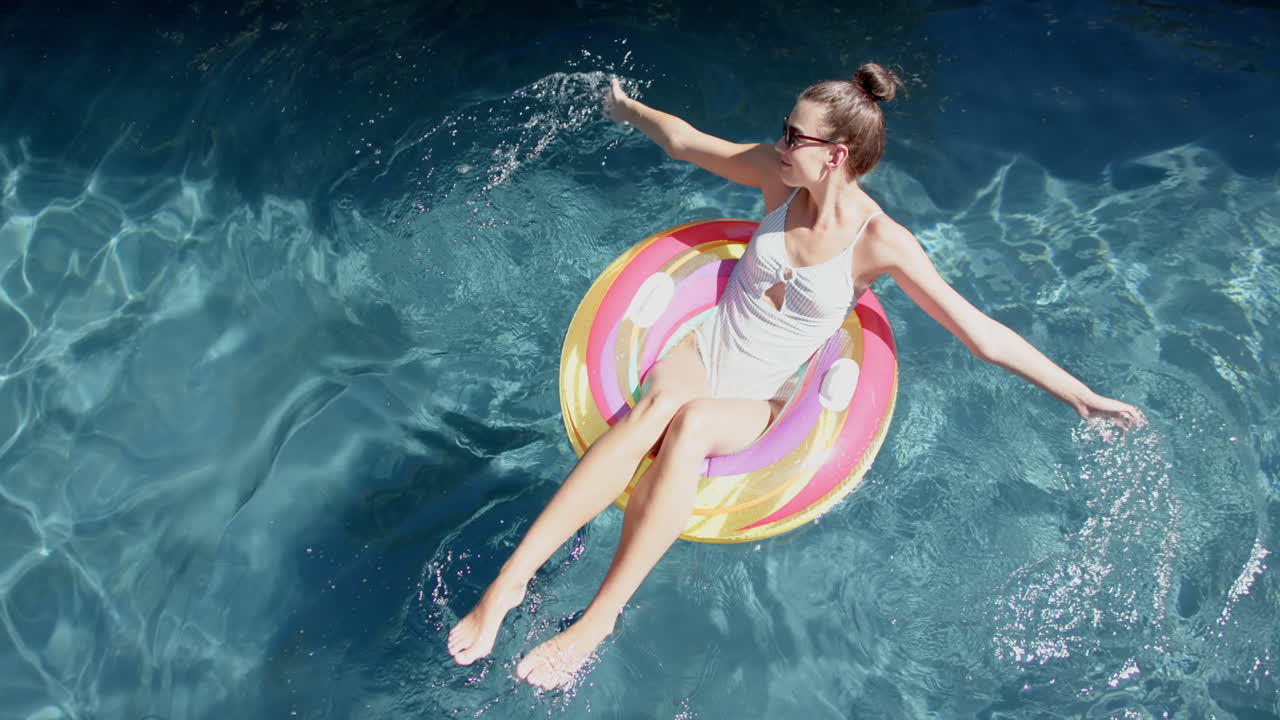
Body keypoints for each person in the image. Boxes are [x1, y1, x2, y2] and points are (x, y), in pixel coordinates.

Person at [447, 63, 1144, 690]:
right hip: (706, 346)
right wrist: (626, 108)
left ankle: (597, 619)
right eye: (784, 130)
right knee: (658, 402)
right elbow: (688, 142)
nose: (780, 143)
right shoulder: (777, 180)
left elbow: (979, 331)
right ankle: (510, 583)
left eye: (794, 135)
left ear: (836, 155)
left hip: (761, 394)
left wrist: (1081, 397)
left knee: (689, 424)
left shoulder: (881, 242)